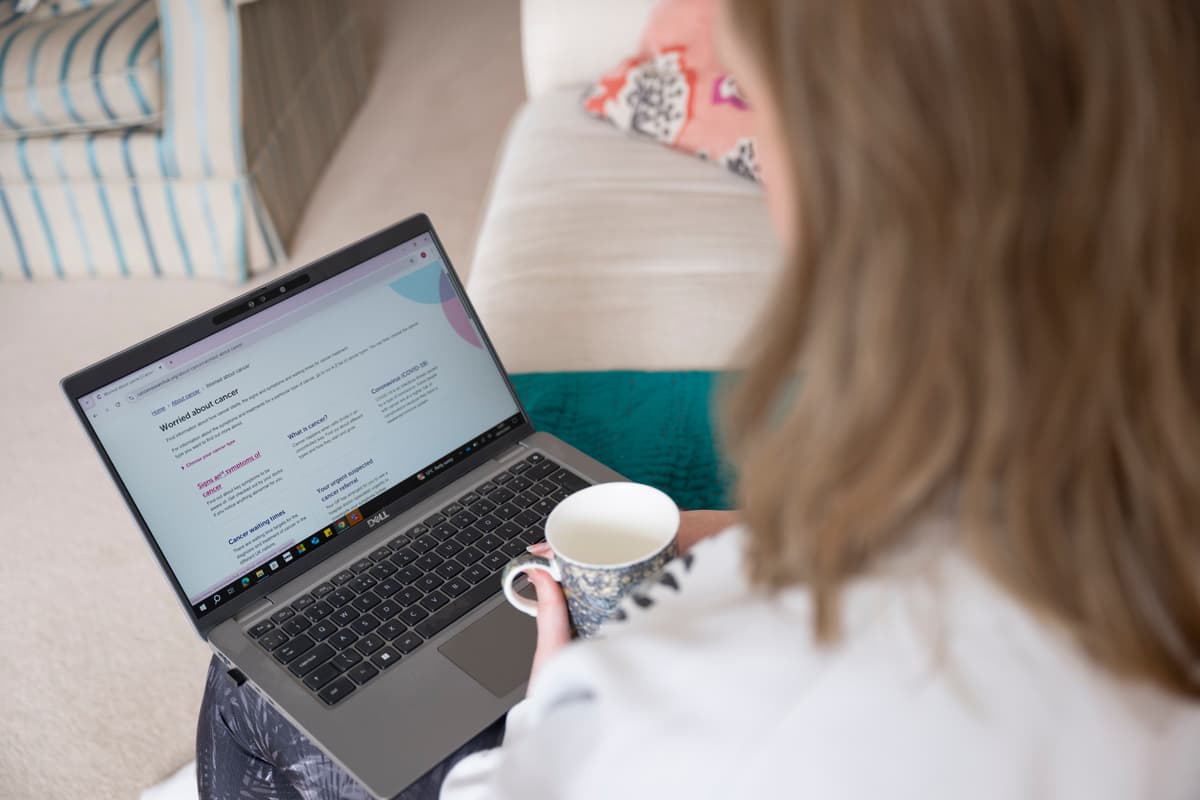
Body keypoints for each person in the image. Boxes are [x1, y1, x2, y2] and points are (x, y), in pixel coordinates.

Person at [199, 0, 1200, 796]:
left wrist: (556, 704)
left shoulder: (684, 704)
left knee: (250, 692)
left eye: (759, 106)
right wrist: (750, 538)